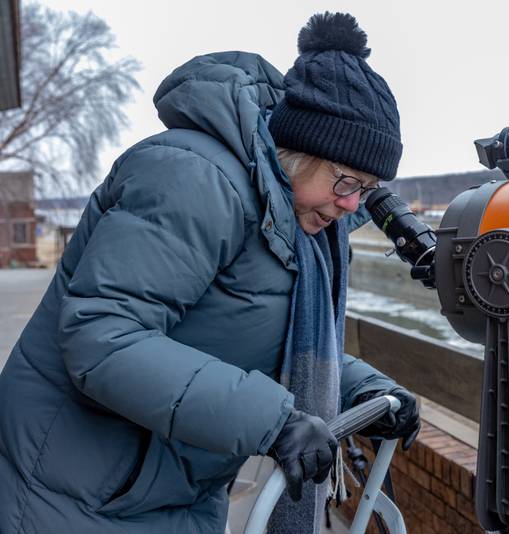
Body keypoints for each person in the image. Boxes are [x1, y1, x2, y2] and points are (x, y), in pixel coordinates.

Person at [0, 12, 420, 534]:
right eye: (345, 181)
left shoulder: (294, 223)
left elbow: (265, 339)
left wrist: (366, 390)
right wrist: (274, 421)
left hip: (173, 489)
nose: (352, 203)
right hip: (75, 490)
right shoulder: (193, 178)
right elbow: (102, 338)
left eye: (367, 186)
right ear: (299, 150)